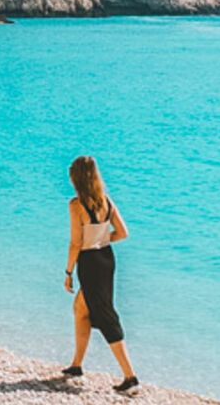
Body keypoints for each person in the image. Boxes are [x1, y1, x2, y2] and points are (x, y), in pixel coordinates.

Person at [61, 155, 139, 395]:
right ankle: (76, 365)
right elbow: (123, 233)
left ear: (76, 179)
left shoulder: (76, 205)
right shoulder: (107, 201)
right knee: (81, 308)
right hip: (106, 259)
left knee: (106, 316)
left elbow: (76, 243)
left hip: (89, 262)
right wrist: (103, 239)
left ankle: (130, 377)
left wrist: (68, 272)